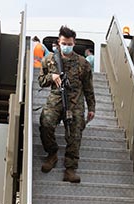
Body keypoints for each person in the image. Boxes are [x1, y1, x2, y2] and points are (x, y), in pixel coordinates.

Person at [38, 26, 96, 183]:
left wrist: (91, 108)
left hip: (75, 102)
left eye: (69, 43)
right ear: (59, 41)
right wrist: (52, 76)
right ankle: (52, 154)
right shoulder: (49, 59)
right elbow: (41, 81)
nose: (67, 46)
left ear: (74, 43)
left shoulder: (83, 63)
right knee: (46, 123)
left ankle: (70, 169)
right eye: (64, 43)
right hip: (56, 99)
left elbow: (88, 88)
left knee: (75, 133)